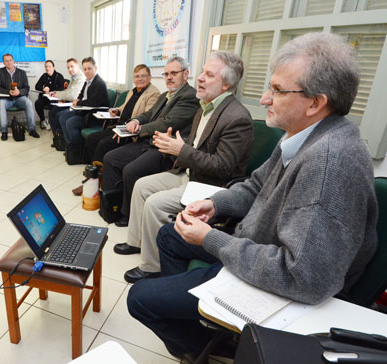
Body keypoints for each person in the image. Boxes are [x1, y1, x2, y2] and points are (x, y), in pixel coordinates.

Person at [127, 33, 378, 361]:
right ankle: (204, 319)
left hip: (283, 286)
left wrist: (213, 240)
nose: (263, 99)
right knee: (169, 235)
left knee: (140, 299)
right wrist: (216, 204)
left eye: (276, 90)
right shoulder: (300, 137)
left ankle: (212, 348)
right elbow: (255, 185)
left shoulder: (331, 162)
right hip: (255, 247)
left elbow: (302, 278)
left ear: (316, 102)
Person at [116, 51, 254, 283]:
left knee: (155, 203)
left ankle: (152, 267)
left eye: (208, 74)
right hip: (188, 173)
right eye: (202, 72)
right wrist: (175, 147)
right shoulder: (205, 107)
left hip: (208, 185)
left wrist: (180, 150)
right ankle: (137, 242)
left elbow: (223, 167)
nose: (199, 78)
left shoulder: (237, 118)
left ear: (227, 84)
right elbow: (193, 145)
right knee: (141, 185)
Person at [101, 56, 200, 226]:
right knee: (111, 158)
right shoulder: (164, 95)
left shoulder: (190, 96)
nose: (169, 77)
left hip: (163, 148)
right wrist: (136, 121)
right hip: (148, 142)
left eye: (174, 73)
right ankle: (112, 206)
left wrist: (140, 129)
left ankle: (129, 214)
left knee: (131, 171)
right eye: (166, 73)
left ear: (185, 74)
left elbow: (167, 123)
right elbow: (149, 114)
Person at [71, 64, 160, 196]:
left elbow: (147, 116)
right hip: (118, 126)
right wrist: (117, 109)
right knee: (92, 139)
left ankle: (93, 182)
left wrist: (127, 128)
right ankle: (93, 175)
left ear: (150, 77)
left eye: (143, 76)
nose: (139, 79)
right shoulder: (133, 91)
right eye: (136, 76)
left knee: (103, 144)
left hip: (130, 132)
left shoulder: (153, 93)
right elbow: (125, 106)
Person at [58, 57, 109, 145]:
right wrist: (78, 99)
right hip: (84, 111)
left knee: (70, 123)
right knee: (62, 117)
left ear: (95, 68)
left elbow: (92, 103)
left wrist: (78, 103)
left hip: (93, 116)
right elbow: (81, 94)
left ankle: (77, 150)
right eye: (85, 69)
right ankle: (69, 147)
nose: (87, 71)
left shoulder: (99, 83)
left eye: (89, 68)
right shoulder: (87, 80)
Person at [0, 53, 39, 141]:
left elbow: (27, 88)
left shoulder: (22, 72)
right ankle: (4, 131)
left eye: (10, 60)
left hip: (19, 98)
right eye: (6, 61)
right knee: (1, 103)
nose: (9, 62)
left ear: (13, 61)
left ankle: (32, 129)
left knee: (29, 102)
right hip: (6, 99)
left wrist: (19, 92)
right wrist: (8, 92)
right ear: (3, 63)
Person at [48, 58, 85, 149]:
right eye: (68, 67)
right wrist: (57, 93)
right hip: (71, 103)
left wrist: (57, 94)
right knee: (52, 112)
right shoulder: (73, 77)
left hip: (78, 106)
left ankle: (63, 141)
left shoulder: (81, 78)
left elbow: (72, 95)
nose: (70, 69)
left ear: (78, 66)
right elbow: (68, 91)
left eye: (72, 66)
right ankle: (58, 139)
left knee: (59, 115)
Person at [35, 60, 64, 130]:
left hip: (55, 98)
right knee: (37, 103)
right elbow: (37, 86)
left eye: (49, 66)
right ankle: (43, 121)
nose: (47, 68)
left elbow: (61, 88)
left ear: (53, 67)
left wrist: (51, 90)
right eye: (46, 67)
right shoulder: (44, 76)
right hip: (46, 98)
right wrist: (43, 89)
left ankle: (53, 123)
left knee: (53, 107)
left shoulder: (59, 76)